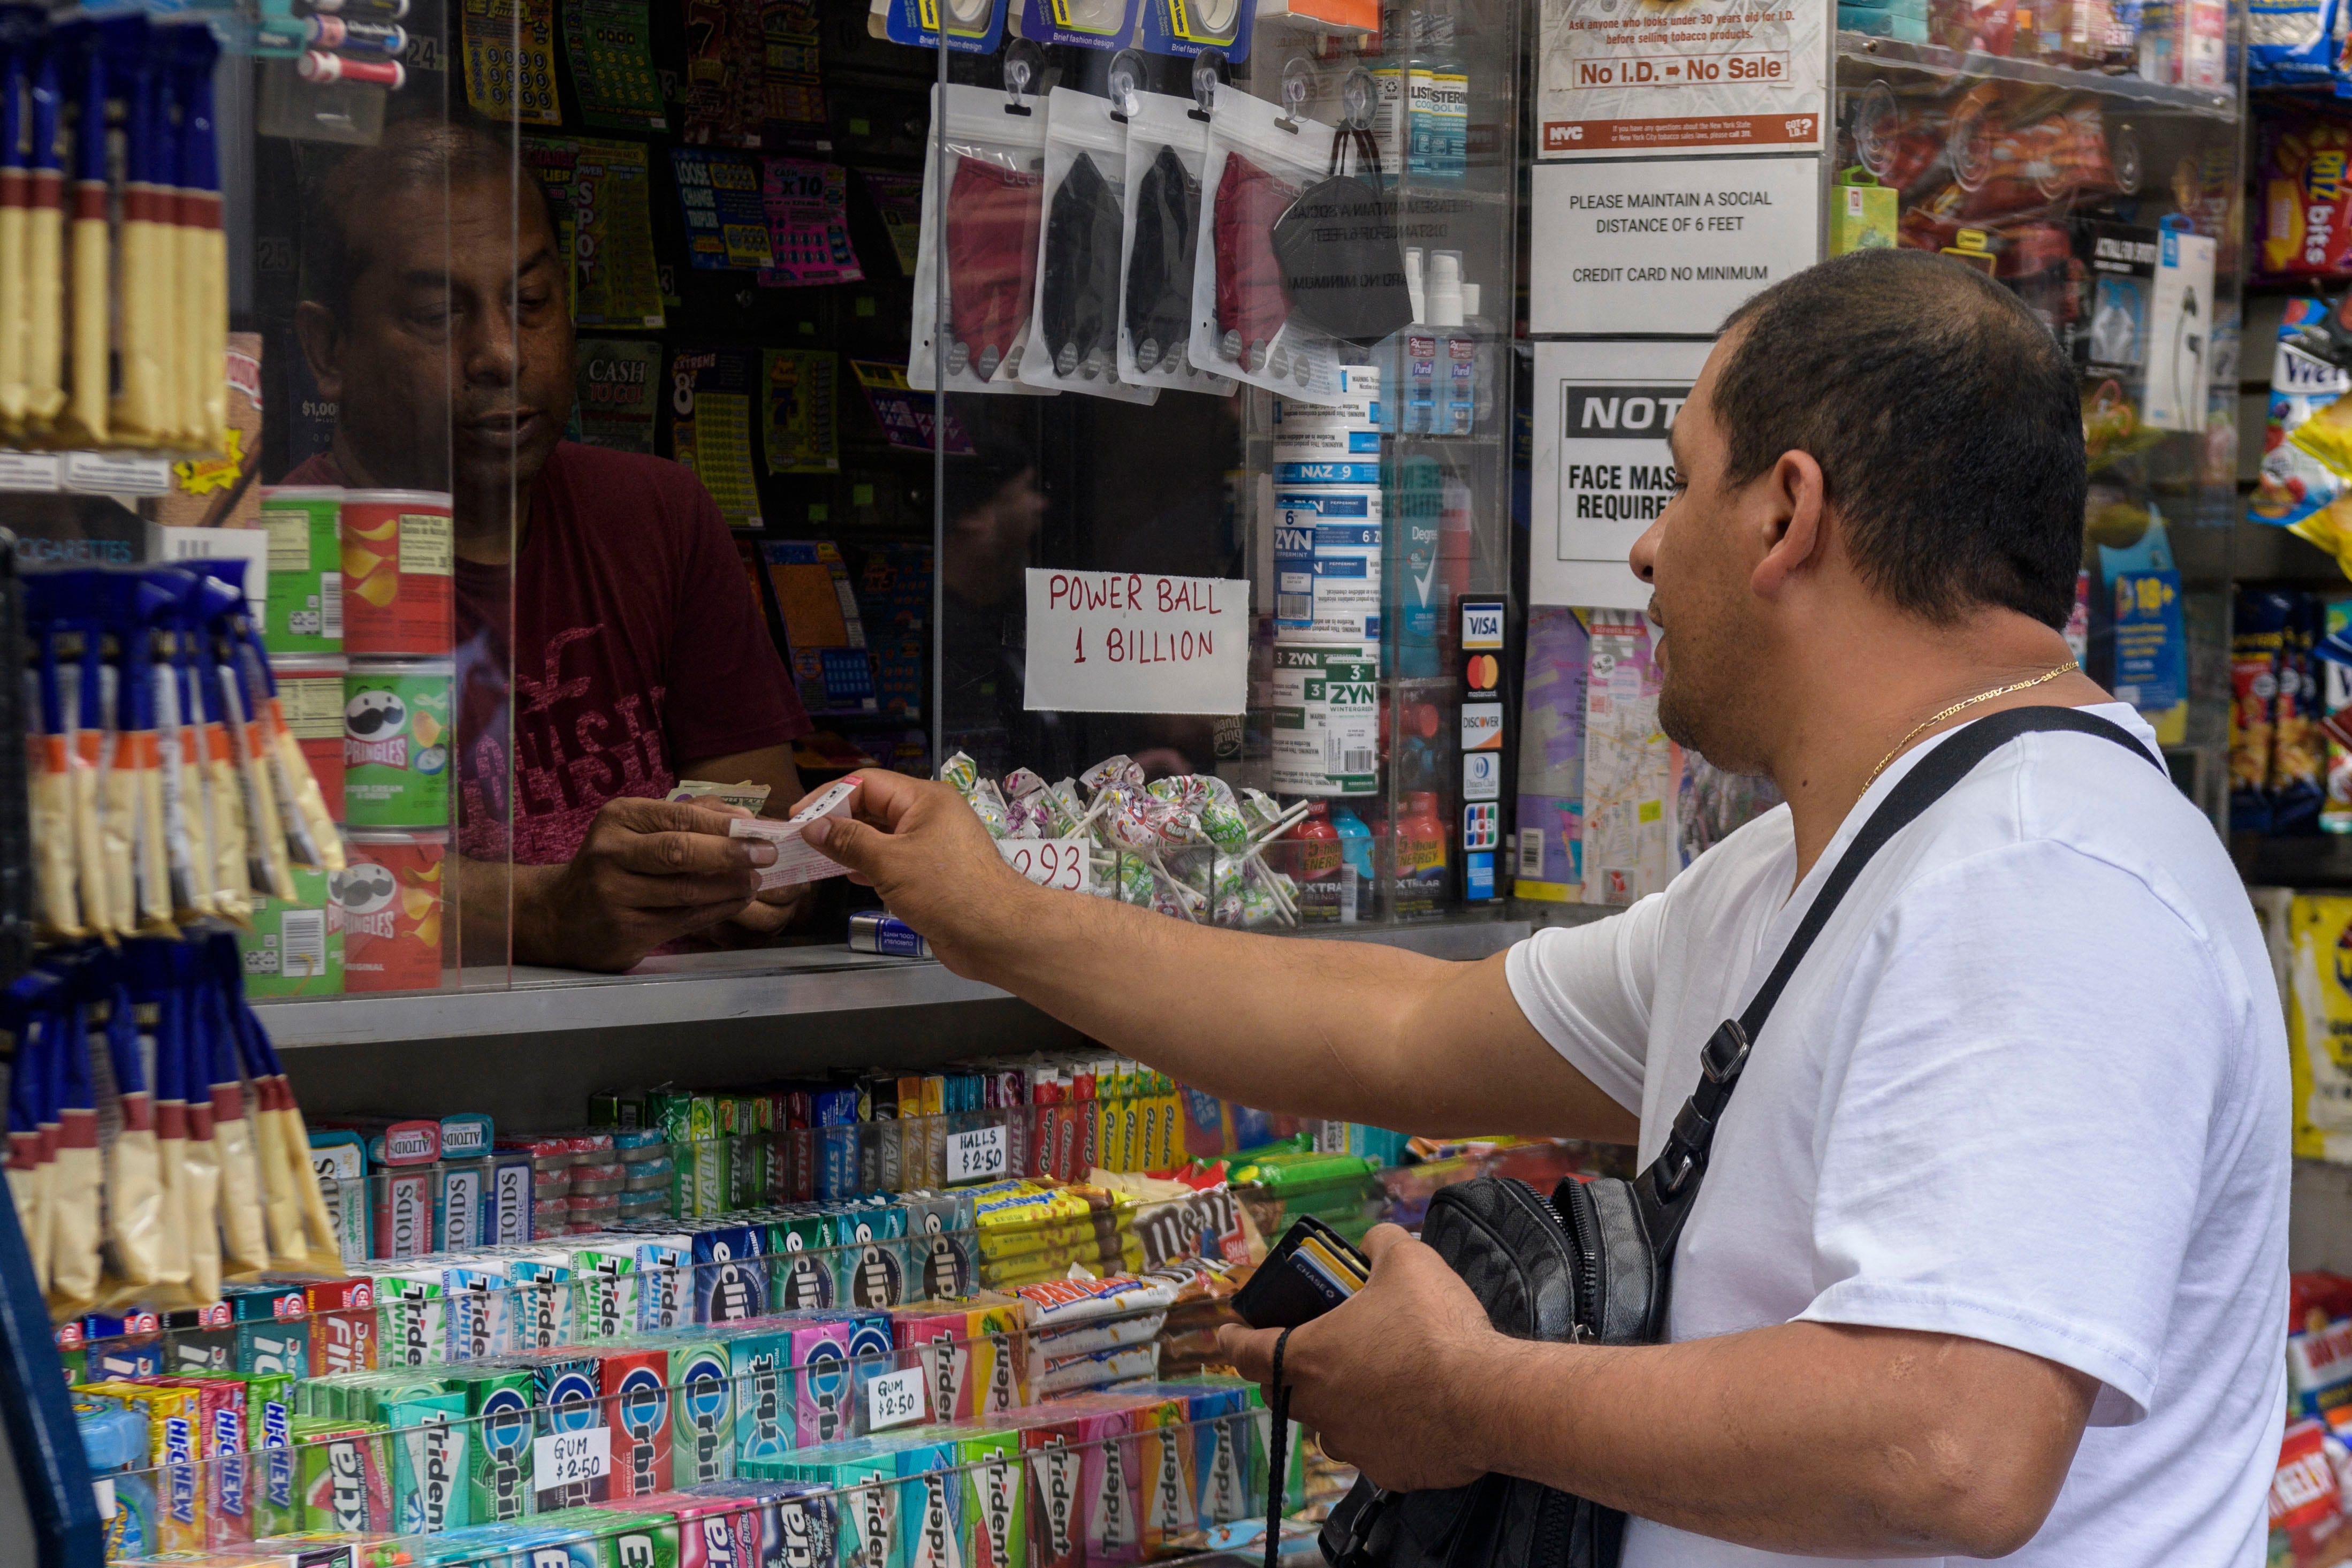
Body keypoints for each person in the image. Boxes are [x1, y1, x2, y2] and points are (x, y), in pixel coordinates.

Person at [804, 249, 2287, 1565]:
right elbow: (1395, 1028)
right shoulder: (1815, 866)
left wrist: (1464, 1397)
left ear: (1783, 511)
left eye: (1675, 477)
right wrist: (991, 913)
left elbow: (1947, 1445)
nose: (1644, 547)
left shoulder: (2043, 873)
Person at [287, 119, 813, 971]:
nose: (500, 354)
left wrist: (753, 869)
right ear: (328, 350)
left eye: (529, 304)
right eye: (434, 315)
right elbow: (280, 881)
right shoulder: (283, 558)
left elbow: (770, 817)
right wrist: (543, 910)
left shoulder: (657, 515)